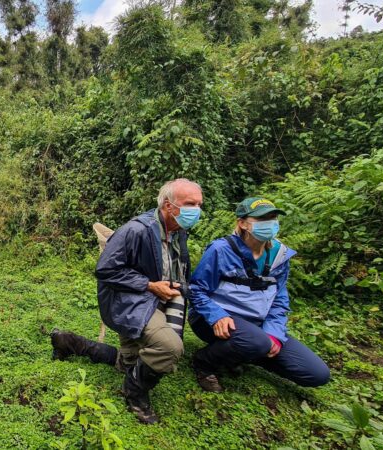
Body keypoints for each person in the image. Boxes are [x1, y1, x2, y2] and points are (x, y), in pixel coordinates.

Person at [50, 178, 203, 424]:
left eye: (198, 204)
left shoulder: (178, 231)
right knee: (169, 348)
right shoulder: (136, 230)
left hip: (156, 298)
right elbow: (105, 270)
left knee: (132, 361)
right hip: (129, 299)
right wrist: (149, 285)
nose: (196, 210)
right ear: (168, 205)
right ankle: (134, 391)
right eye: (190, 204)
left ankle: (70, 343)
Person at [188, 197, 330, 393]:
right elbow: (196, 290)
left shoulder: (280, 256)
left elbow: (279, 300)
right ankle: (203, 362)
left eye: (273, 218)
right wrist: (217, 315)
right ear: (242, 223)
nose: (270, 224)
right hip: (214, 320)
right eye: (262, 219)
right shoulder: (221, 250)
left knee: (317, 374)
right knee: (256, 341)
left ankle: (247, 352)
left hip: (258, 325)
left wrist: (274, 334)